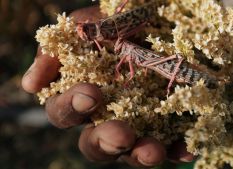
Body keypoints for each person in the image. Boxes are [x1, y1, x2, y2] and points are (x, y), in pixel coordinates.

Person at [22, 6, 195, 168]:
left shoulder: (119, 42)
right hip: (144, 48)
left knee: (165, 66)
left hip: (155, 56)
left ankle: (186, 74)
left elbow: (131, 71)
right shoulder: (100, 39)